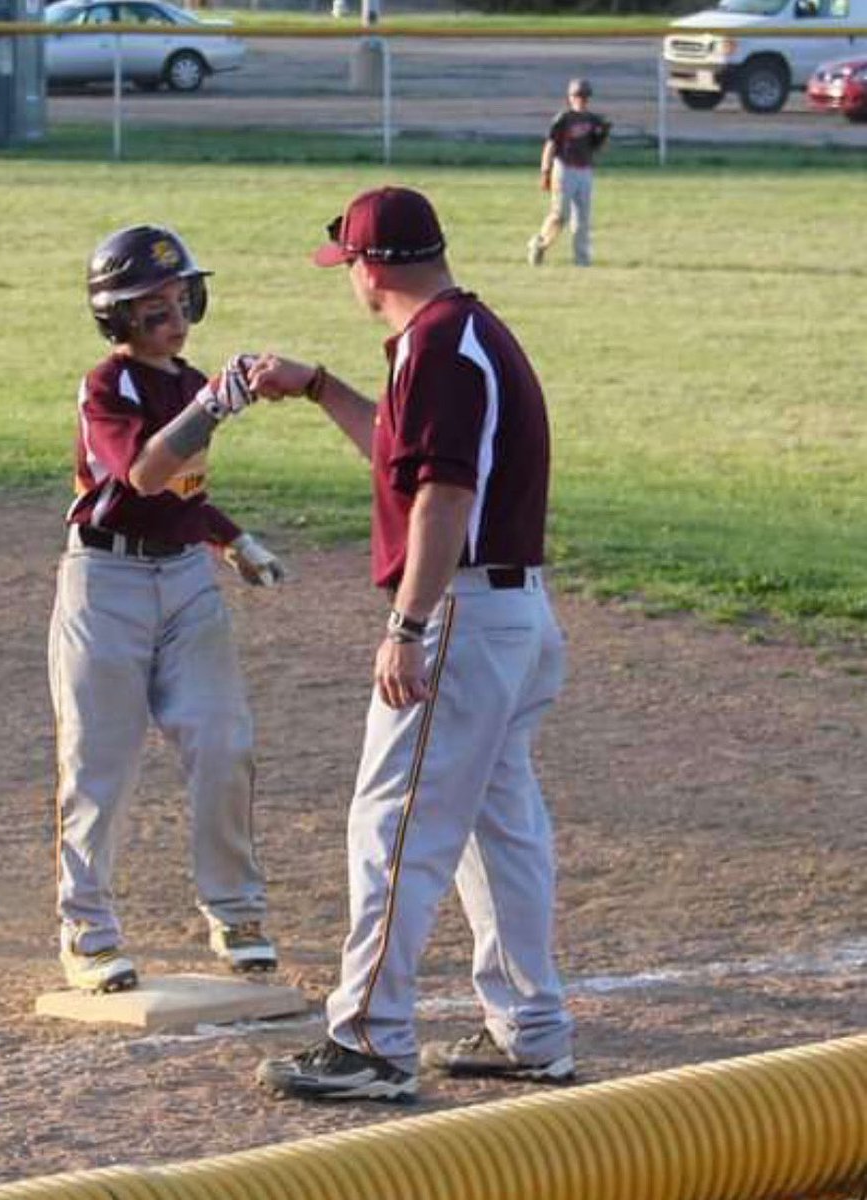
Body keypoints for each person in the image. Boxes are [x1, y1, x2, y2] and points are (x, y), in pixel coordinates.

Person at [250, 186, 575, 1102]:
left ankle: (370, 1043)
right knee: (495, 824)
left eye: (347, 264)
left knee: (393, 826)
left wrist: (409, 626)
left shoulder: (436, 349)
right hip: (508, 612)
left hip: (464, 613)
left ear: (371, 266)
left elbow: (442, 499)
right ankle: (530, 1029)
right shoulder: (454, 333)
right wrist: (316, 386)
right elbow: (401, 454)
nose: (346, 279)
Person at [49, 224, 282, 994]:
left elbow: (185, 495)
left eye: (180, 301)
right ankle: (86, 932)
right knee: (99, 763)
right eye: (152, 311)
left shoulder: (188, 385)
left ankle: (236, 910)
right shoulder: (106, 387)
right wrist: (216, 405)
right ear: (117, 322)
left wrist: (231, 538)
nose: (173, 321)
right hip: (105, 587)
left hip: (184, 580)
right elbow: (145, 476)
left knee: (222, 739)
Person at [527, 77, 611, 268]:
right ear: (570, 97)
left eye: (584, 96)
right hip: (564, 169)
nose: (581, 99)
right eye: (577, 95)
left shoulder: (593, 120)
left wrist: (603, 135)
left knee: (582, 219)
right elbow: (551, 145)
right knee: (560, 214)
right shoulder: (563, 119)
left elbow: (598, 148)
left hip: (584, 170)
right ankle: (539, 243)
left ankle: (582, 260)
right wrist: (545, 172)